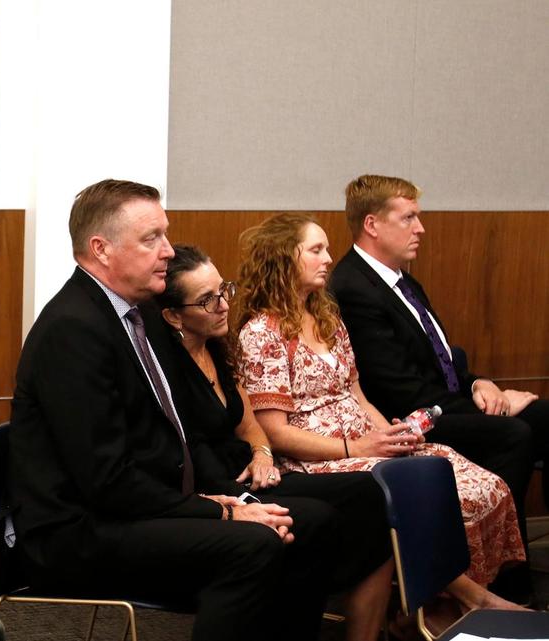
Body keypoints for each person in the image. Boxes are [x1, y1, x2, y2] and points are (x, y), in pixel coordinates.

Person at [9, 179, 345, 641]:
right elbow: (106, 480)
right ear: (101, 249)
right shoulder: (73, 330)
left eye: (165, 235)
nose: (168, 250)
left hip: (137, 507)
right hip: (78, 532)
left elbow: (168, 436)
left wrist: (214, 498)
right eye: (152, 239)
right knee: (252, 545)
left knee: (313, 522)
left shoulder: (139, 313)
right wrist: (217, 512)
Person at [231, 212, 526, 611]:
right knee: (420, 488)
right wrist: (359, 447)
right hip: (315, 458)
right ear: (284, 258)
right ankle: (461, 601)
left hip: (366, 442)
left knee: (472, 480)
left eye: (326, 249)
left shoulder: (327, 317)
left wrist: (391, 433)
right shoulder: (263, 332)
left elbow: (357, 394)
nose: (328, 258)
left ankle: (432, 608)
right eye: (315, 250)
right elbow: (277, 434)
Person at [150, 243, 393, 641]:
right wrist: (240, 494)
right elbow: (189, 452)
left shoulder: (216, 346)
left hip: (251, 472)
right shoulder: (166, 367)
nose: (224, 305)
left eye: (223, 291)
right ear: (174, 315)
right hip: (216, 488)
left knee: (370, 492)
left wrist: (263, 455)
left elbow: (249, 426)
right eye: (207, 300)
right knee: (317, 518)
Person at [329, 175, 549, 555]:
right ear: (372, 225)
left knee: (545, 416)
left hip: (440, 403)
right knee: (513, 432)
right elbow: (400, 390)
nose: (421, 228)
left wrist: (483, 386)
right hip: (407, 420)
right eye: (409, 218)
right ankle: (496, 569)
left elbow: (442, 363)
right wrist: (495, 411)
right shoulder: (354, 288)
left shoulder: (402, 280)